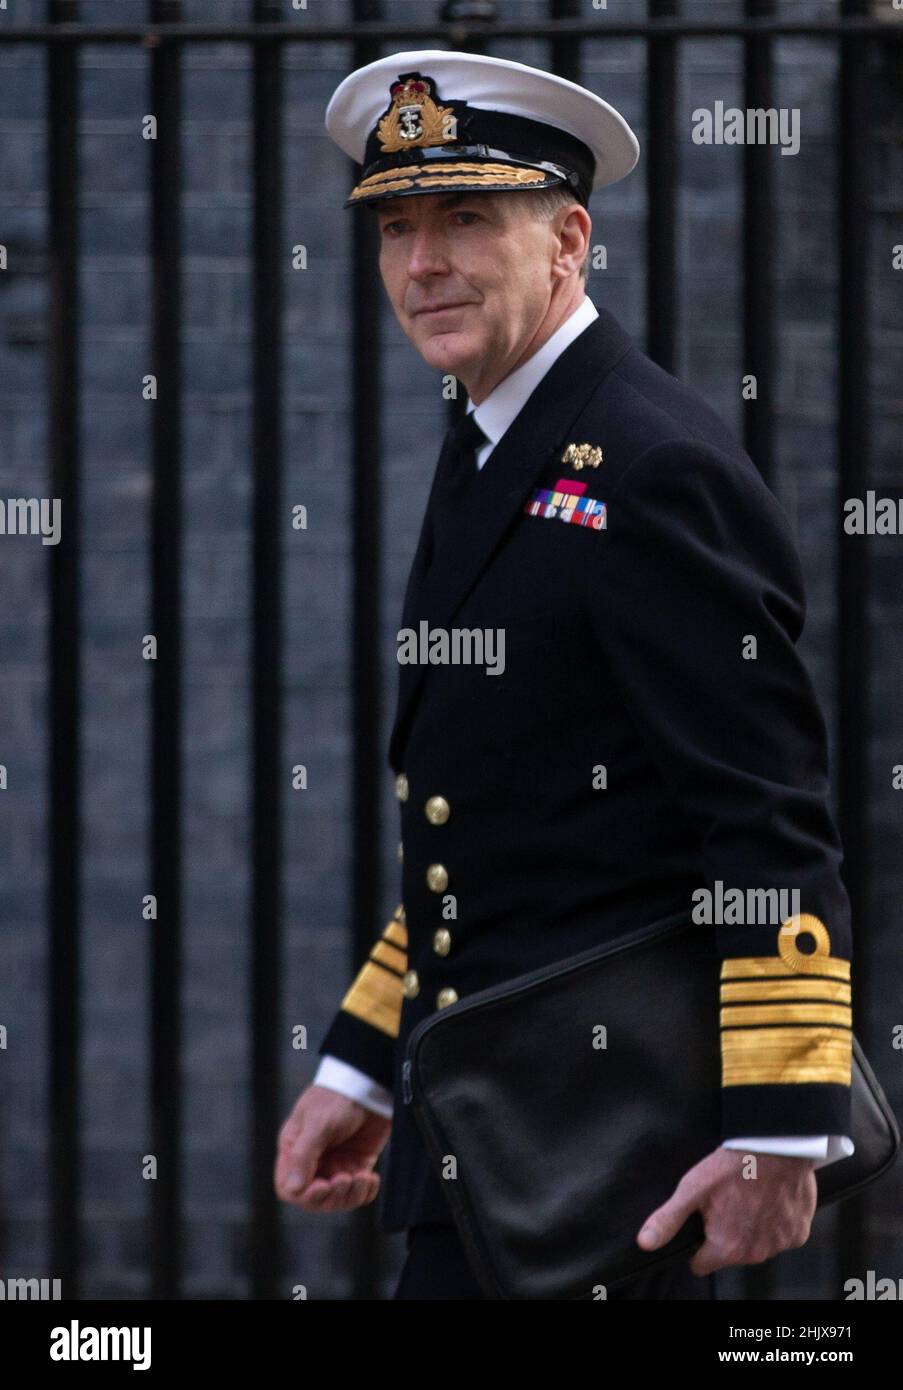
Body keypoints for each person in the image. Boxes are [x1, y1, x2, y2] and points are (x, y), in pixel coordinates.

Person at [274, 49, 854, 1300]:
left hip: (598, 1158)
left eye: (467, 218)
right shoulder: (496, 429)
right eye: (396, 226)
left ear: (570, 239)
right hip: (493, 1126)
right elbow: (493, 820)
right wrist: (365, 1063)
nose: (422, 263)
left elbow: (768, 818)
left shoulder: (650, 466)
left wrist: (779, 1127)